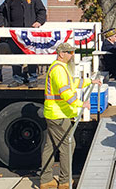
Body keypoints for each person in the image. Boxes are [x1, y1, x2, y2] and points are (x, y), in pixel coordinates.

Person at [39, 42, 101, 189]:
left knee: (50, 146)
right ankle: (64, 181)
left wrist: (89, 81)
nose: (71, 55)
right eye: (69, 52)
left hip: (54, 112)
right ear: (61, 53)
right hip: (58, 114)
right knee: (68, 145)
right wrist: (81, 104)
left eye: (72, 52)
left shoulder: (59, 67)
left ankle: (46, 179)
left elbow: (72, 82)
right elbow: (65, 92)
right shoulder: (59, 69)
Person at [0, 0, 47, 88]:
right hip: (14, 34)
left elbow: (42, 11)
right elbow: (1, 12)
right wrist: (1, 23)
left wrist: (39, 22)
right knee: (16, 56)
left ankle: (32, 78)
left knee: (31, 55)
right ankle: (17, 79)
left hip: (28, 33)